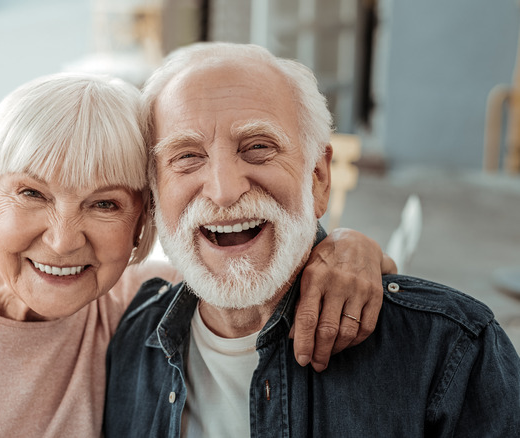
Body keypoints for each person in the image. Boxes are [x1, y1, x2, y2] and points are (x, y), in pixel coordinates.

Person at [0, 72, 390, 437]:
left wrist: (347, 249)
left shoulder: (132, 304)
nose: (62, 240)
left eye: (104, 205)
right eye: (31, 194)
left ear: (139, 229)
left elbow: (247, 260)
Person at [103, 42, 520, 437]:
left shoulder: (447, 350)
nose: (224, 189)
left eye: (258, 147)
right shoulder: (128, 339)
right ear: (155, 195)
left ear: (318, 178)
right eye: (187, 156)